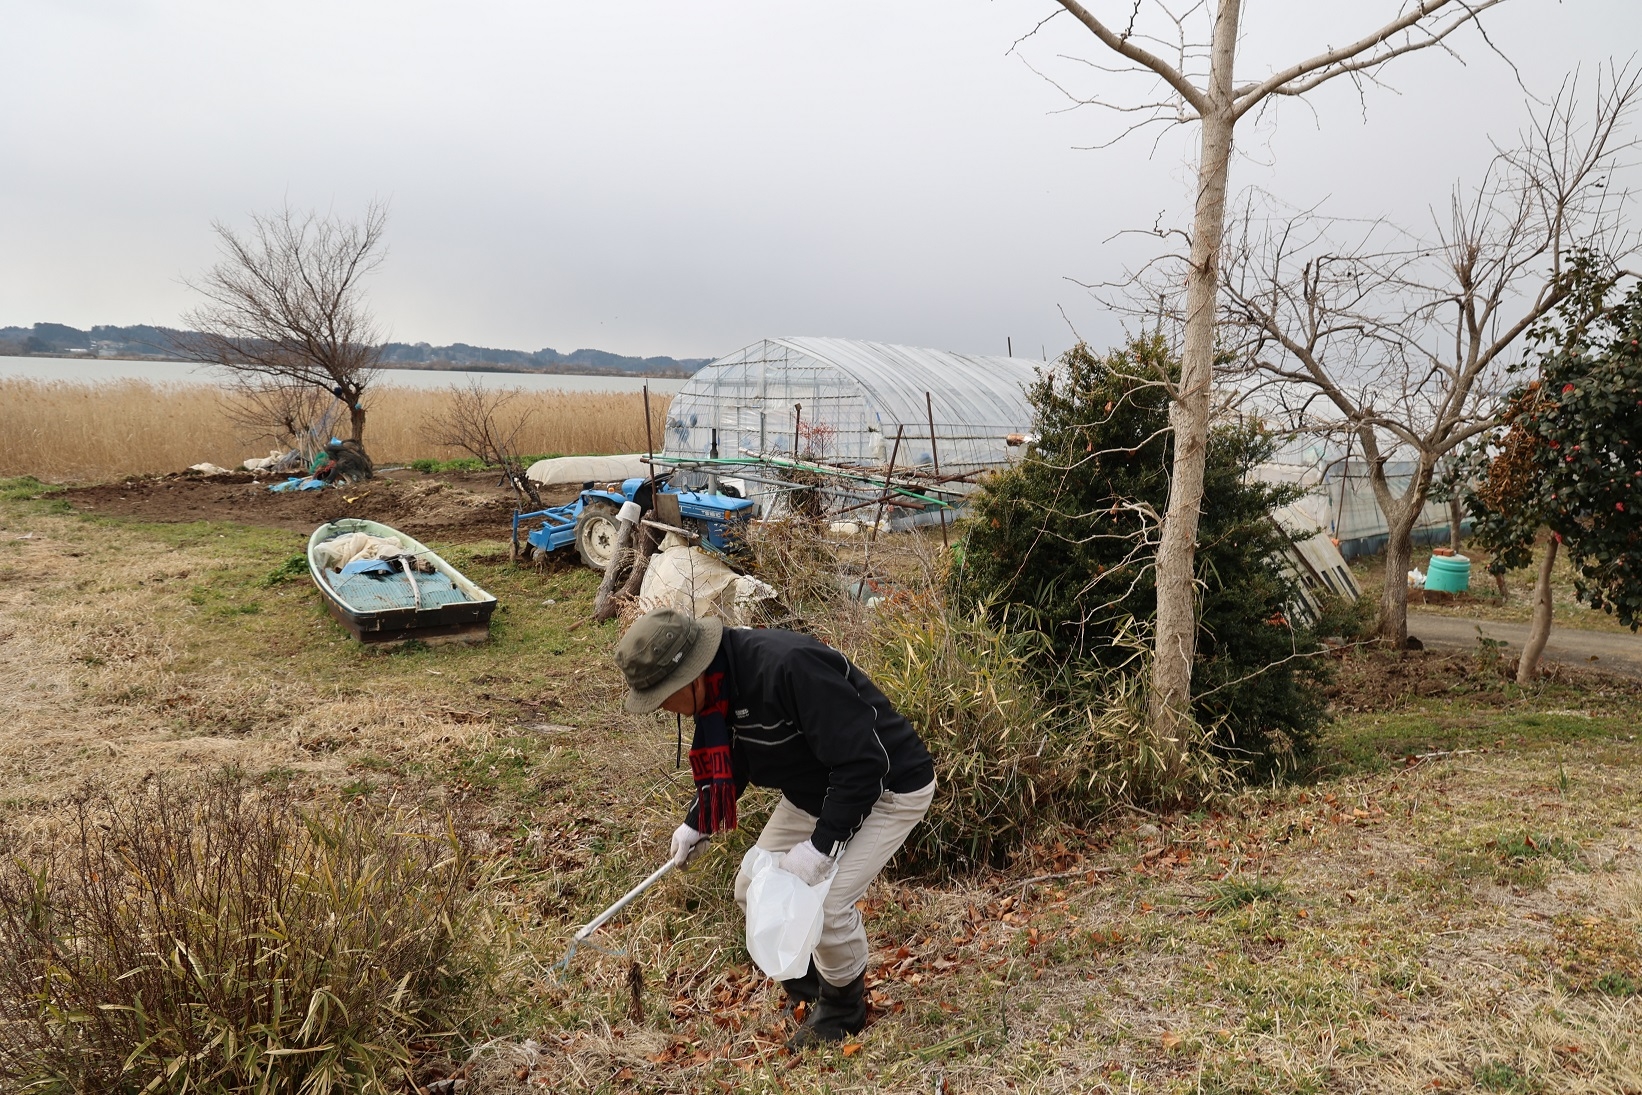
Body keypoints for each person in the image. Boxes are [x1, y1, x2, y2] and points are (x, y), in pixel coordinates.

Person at [614, 608, 935, 1049]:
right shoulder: (719, 693)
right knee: (750, 887)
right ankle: (810, 991)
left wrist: (821, 849)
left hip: (887, 788)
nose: (664, 708)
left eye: (664, 696)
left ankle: (844, 1008)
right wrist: (699, 821)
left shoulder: (786, 667)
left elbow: (865, 764)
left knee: (826, 905)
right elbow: (738, 757)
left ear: (691, 674)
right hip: (815, 790)